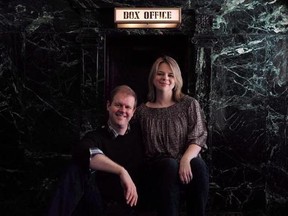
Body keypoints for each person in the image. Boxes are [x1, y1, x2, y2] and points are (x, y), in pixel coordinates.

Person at [47, 85, 144, 216]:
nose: (122, 110)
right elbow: (84, 153)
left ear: (133, 111)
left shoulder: (140, 137)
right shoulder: (95, 136)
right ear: (108, 106)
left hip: (129, 207)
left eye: (127, 107)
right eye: (118, 105)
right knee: (76, 168)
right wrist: (121, 171)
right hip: (98, 206)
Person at [135, 56, 209, 216]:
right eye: (160, 74)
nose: (165, 78)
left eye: (170, 75)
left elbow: (198, 136)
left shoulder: (189, 104)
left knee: (199, 165)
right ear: (153, 78)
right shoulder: (142, 111)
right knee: (169, 165)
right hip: (156, 168)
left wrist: (185, 160)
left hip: (185, 162)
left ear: (177, 79)